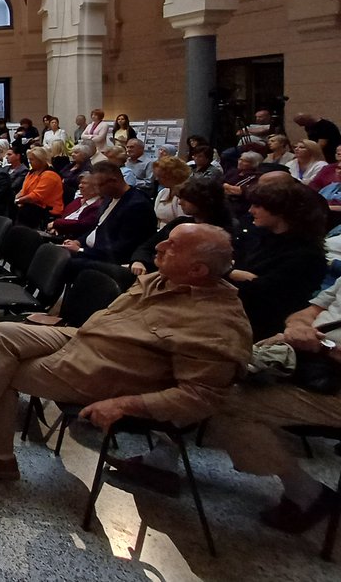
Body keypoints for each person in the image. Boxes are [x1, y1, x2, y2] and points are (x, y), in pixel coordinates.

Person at [0, 224, 249, 481]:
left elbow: (200, 397)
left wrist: (124, 404)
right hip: (85, 339)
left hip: (108, 371)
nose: (159, 246)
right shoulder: (161, 280)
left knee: (0, 372)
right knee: (4, 333)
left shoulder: (216, 324)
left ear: (198, 271)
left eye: (173, 246)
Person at [209, 276, 341, 533]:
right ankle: (162, 458)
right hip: (310, 363)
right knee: (212, 377)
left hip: (334, 382)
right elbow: (309, 312)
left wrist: (324, 348)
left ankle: (308, 494)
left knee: (221, 402)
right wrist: (299, 327)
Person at [228, 177, 328, 341]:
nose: (250, 211)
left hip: (265, 327)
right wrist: (234, 274)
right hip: (239, 315)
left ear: (282, 211)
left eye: (258, 206)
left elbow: (259, 295)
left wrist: (229, 273)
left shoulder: (306, 255)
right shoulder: (263, 238)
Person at [128, 175, 234, 274]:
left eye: (186, 199)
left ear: (203, 201)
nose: (179, 203)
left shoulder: (224, 232)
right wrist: (139, 261)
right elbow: (147, 247)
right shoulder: (180, 222)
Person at [59, 163, 157, 266]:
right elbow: (97, 228)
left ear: (114, 181)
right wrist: (78, 242)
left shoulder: (137, 206)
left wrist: (81, 250)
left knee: (64, 263)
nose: (96, 189)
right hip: (94, 252)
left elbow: (122, 249)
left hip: (111, 260)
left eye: (99, 185)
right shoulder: (109, 197)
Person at [14, 146, 65, 229]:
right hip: (30, 206)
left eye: (32, 159)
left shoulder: (50, 175)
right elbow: (23, 190)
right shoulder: (31, 173)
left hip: (46, 210)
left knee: (25, 212)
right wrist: (16, 199)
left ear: (40, 159)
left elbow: (36, 196)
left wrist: (18, 201)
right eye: (29, 159)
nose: (29, 162)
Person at [50, 173, 102, 240]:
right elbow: (64, 217)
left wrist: (56, 223)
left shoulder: (98, 205)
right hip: (60, 234)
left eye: (84, 183)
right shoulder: (78, 200)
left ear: (95, 186)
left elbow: (81, 225)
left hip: (74, 239)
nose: (80, 186)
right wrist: (57, 228)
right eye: (80, 183)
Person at [152, 155, 191, 226]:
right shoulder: (162, 192)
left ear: (174, 175)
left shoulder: (186, 195)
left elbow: (183, 222)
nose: (157, 179)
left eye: (161, 176)